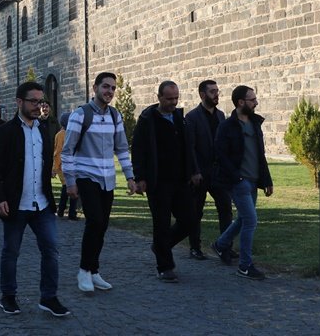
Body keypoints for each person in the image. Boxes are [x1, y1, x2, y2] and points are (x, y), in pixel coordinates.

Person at [0, 81, 70, 317]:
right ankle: (9, 296)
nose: (38, 106)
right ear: (19, 102)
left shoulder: (44, 131)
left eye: (41, 101)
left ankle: (49, 297)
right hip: (16, 204)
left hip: (41, 203)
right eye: (33, 101)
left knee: (51, 250)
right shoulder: (5, 132)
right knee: (11, 252)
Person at [61, 72, 137, 293]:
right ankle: (84, 271)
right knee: (94, 221)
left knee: (102, 225)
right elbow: (67, 152)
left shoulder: (115, 116)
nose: (110, 92)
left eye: (113, 88)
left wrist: (130, 177)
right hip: (86, 177)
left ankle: (94, 271)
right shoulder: (80, 115)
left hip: (108, 180)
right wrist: (70, 181)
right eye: (105, 87)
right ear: (94, 88)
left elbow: (122, 149)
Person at [130, 81, 195, 282]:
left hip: (180, 179)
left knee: (190, 220)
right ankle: (165, 266)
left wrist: (193, 171)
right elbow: (138, 150)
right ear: (159, 97)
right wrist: (140, 177)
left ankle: (160, 246)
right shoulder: (147, 119)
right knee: (161, 223)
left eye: (176, 98)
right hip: (158, 181)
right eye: (169, 99)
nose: (173, 102)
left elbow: (187, 147)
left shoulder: (179, 117)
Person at [210, 86, 274, 281]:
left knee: (243, 219)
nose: (256, 102)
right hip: (239, 182)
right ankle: (245, 266)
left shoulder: (255, 123)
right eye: (252, 100)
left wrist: (267, 180)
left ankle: (220, 245)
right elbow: (220, 155)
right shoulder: (227, 126)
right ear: (240, 103)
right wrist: (237, 178)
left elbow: (260, 155)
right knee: (251, 220)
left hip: (254, 181)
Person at [185, 80, 232, 260]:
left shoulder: (220, 115)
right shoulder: (192, 117)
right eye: (212, 91)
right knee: (196, 211)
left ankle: (225, 245)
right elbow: (190, 148)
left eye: (217, 91)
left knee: (225, 207)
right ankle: (194, 247)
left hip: (218, 172)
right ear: (202, 95)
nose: (216, 94)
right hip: (200, 172)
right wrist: (194, 171)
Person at [53, 112, 78, 220]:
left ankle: (61, 210)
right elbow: (58, 151)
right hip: (63, 166)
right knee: (71, 187)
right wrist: (55, 167)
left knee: (66, 188)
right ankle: (71, 213)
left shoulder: (69, 133)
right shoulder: (61, 134)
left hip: (71, 165)